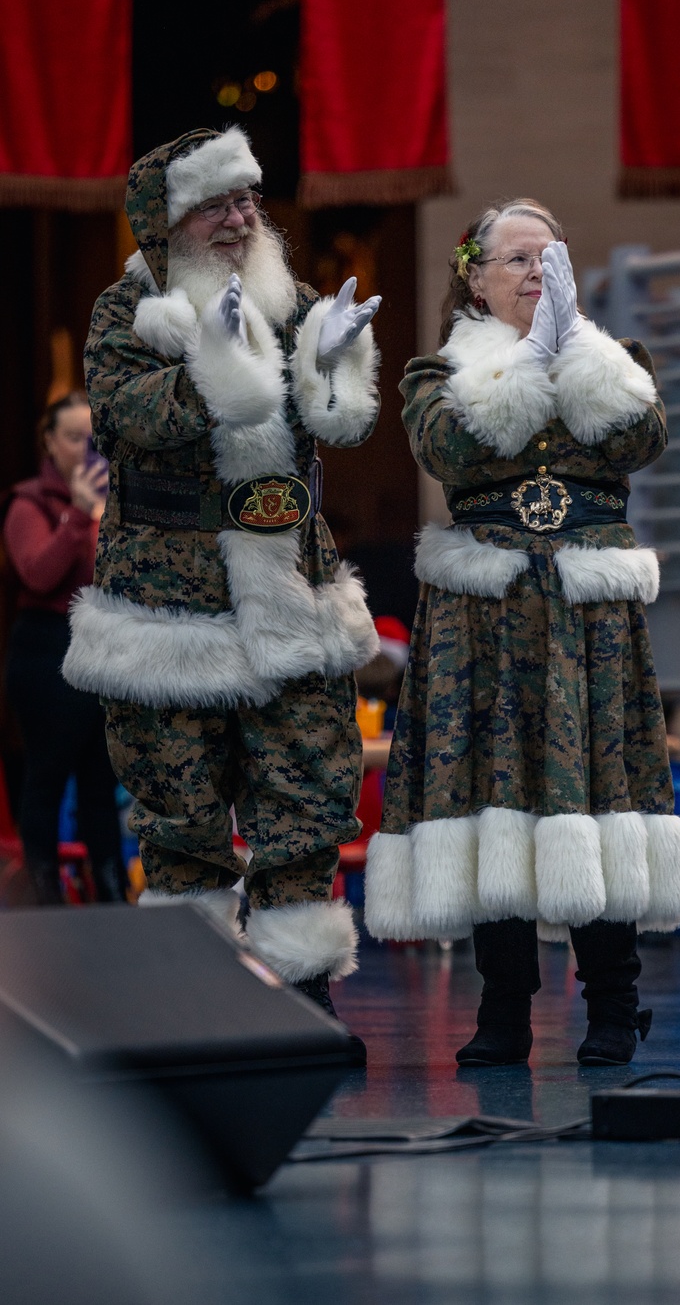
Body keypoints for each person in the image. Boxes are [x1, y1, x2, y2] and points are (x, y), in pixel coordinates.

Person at [62, 127, 381, 1049]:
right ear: (170, 224)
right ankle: (188, 1005)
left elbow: (343, 424)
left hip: (290, 595)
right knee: (179, 810)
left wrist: (335, 360)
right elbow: (129, 417)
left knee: (309, 799)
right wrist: (214, 358)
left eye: (248, 198)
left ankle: (304, 995)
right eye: (218, 203)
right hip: (171, 609)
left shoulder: (294, 300)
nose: (242, 217)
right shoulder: (126, 310)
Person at [364, 198, 680, 1066]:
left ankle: (615, 1006)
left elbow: (642, 436)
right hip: (487, 619)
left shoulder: (614, 364)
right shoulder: (436, 374)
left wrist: (569, 354)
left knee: (599, 796)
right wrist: (531, 367)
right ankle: (504, 1008)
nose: (536, 273)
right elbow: (450, 451)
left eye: (552, 257)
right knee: (496, 802)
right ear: (474, 275)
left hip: (587, 616)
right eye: (516, 259)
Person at [3, 392, 127, 904]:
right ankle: (44, 898)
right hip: (45, 651)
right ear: (49, 442)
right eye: (74, 437)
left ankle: (113, 898)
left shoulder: (113, 503)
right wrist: (77, 516)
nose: (85, 449)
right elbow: (38, 572)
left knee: (102, 782)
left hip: (100, 650)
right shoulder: (28, 502)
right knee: (46, 777)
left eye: (93, 439)